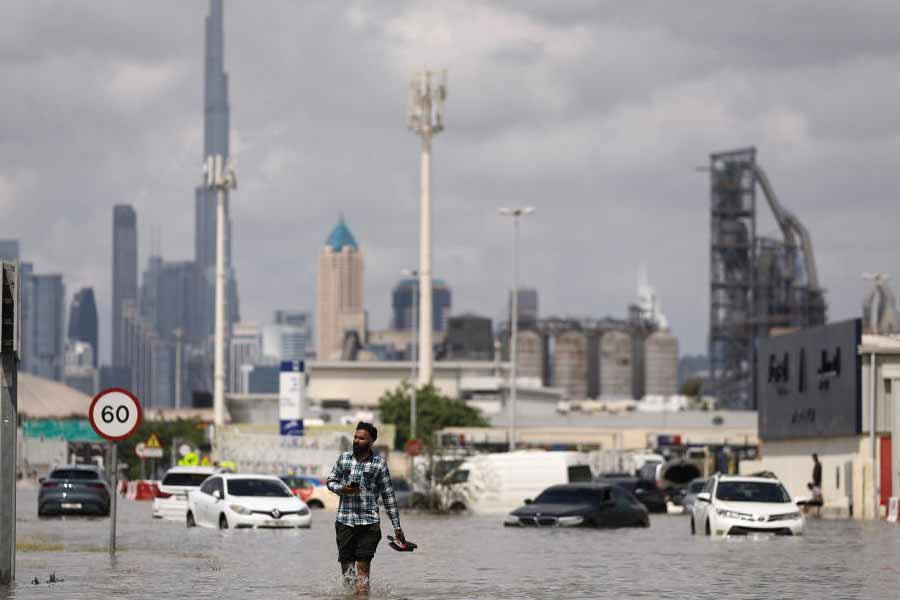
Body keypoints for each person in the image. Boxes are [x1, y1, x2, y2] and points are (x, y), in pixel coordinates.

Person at [327, 422, 405, 596]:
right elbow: (330, 481)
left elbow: (388, 497)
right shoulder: (344, 459)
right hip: (344, 522)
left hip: (369, 524)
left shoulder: (379, 464)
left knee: (363, 569)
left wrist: (397, 526)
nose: (356, 441)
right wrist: (342, 489)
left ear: (371, 442)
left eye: (361, 438)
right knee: (347, 570)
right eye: (355, 437)